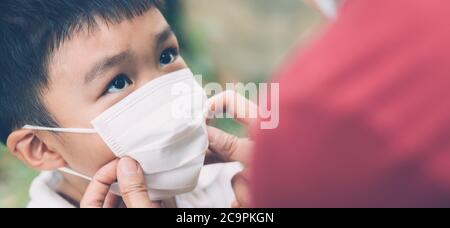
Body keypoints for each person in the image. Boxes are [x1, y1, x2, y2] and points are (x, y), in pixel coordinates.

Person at [0, 0, 241, 208]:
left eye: (166, 55)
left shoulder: (226, 179)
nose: (166, 97)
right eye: (117, 82)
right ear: (41, 147)